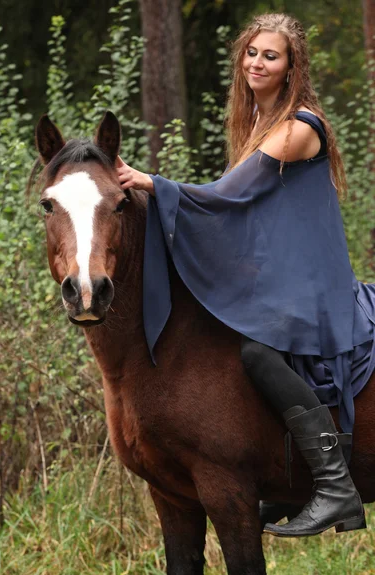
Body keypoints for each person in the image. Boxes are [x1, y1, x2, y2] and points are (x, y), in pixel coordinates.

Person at [115, 13, 372, 537]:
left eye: (271, 55)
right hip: (273, 275)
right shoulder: (255, 120)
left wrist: (151, 183)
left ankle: (334, 486)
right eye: (252, 52)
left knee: (257, 351)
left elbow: (228, 197)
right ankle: (274, 479)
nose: (258, 62)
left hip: (308, 279)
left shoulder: (300, 126)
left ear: (291, 65)